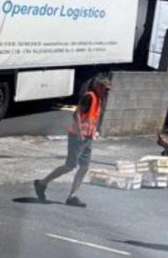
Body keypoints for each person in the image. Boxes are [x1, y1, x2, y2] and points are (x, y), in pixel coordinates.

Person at [34, 75, 111, 207]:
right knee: (70, 166)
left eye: (109, 89)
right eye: (106, 89)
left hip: (87, 138)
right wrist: (80, 133)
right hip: (77, 136)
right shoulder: (89, 97)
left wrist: (94, 132)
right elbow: (77, 114)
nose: (107, 92)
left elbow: (92, 118)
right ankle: (42, 184)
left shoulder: (99, 99)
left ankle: (72, 196)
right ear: (99, 87)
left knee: (84, 167)